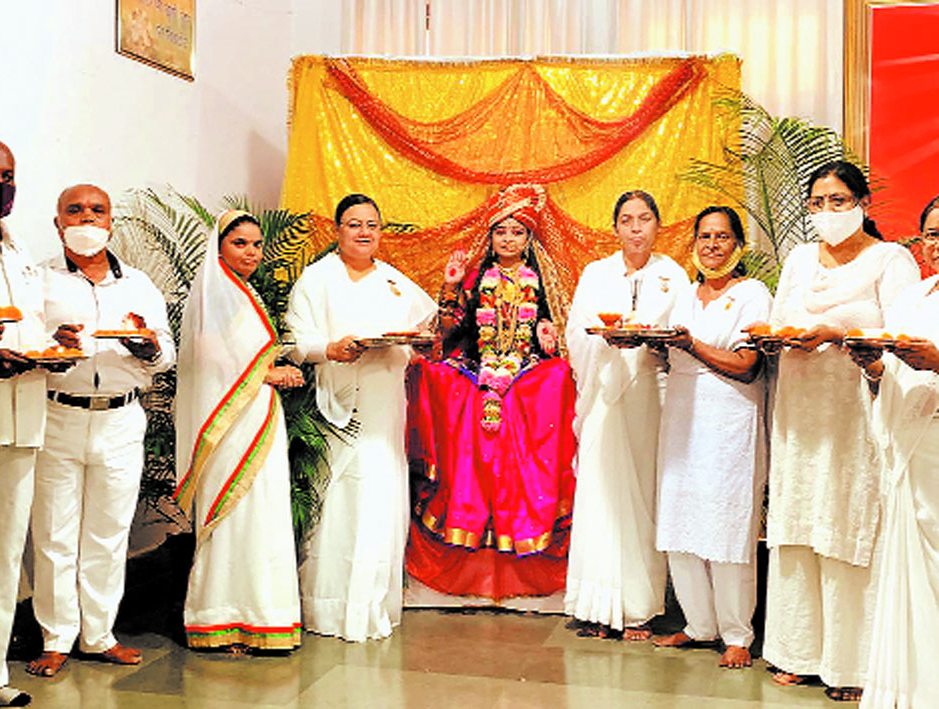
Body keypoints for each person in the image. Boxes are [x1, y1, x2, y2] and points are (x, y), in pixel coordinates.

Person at [760, 161, 920, 702]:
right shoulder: (799, 259)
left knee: (849, 525)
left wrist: (839, 333)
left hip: (855, 414)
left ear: (863, 204)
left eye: (839, 200)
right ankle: (798, 653)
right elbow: (780, 318)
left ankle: (853, 663)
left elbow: (904, 334)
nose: (827, 211)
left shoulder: (890, 259)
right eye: (818, 202)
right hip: (799, 411)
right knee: (799, 524)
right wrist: (777, 339)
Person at [26, 184, 175, 677]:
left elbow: (166, 351)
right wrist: (51, 343)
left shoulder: (138, 284)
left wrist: (149, 348)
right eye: (75, 210)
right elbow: (22, 343)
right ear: (58, 223)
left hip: (121, 418)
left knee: (109, 533)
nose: (87, 218)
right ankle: (55, 638)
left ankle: (99, 636)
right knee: (54, 533)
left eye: (97, 210)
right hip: (58, 416)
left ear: (111, 222)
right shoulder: (38, 280)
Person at [405, 184, 577, 599]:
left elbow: (554, 333)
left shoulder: (541, 282)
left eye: (517, 232)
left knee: (555, 379)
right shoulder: (476, 278)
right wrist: (451, 287)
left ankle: (527, 522)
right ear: (491, 237)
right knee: (439, 380)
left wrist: (547, 334)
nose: (508, 239)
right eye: (501, 231)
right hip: (478, 367)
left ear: (529, 239)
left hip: (525, 370)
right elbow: (451, 332)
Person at [286, 193, 436, 641]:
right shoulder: (317, 279)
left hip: (384, 402)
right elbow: (295, 340)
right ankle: (329, 608)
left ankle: (373, 606)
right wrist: (329, 348)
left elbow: (420, 333)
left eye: (372, 224)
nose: (364, 232)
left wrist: (419, 343)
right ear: (338, 230)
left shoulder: (393, 282)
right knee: (338, 500)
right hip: (336, 403)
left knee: (379, 496)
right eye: (354, 224)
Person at [174, 210, 303, 652]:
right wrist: (267, 374)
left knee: (263, 513)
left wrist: (268, 374)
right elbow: (208, 357)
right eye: (239, 243)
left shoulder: (243, 292)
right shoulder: (216, 294)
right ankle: (220, 618)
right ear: (219, 246)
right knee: (232, 516)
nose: (251, 252)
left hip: (259, 415)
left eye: (256, 244)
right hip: (231, 422)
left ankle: (263, 618)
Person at [564, 189, 690, 639]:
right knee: (601, 490)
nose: (636, 228)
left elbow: (683, 337)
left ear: (658, 225)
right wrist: (606, 342)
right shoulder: (596, 273)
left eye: (644, 219)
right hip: (604, 391)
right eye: (627, 220)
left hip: (650, 394)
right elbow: (577, 334)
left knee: (643, 492)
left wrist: (650, 341)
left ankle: (638, 607)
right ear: (615, 227)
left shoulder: (673, 276)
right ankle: (595, 606)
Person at [650, 206, 770, 669]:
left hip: (729, 420)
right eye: (704, 236)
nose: (712, 245)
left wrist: (692, 345)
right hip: (682, 415)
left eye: (722, 236)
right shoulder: (684, 294)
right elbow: (667, 349)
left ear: (738, 244)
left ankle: (737, 634)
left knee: (727, 524)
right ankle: (699, 625)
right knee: (679, 521)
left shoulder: (752, 294)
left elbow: (748, 365)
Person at [847, 196, 939, 708]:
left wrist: (937, 361)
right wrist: (873, 366)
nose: (938, 245)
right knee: (907, 570)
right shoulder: (913, 298)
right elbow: (895, 376)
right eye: (932, 234)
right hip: (908, 445)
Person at [0, 138, 43, 707]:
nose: (1, 185)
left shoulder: (20, 249)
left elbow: (30, 327)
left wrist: (56, 342)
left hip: (23, 416)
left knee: (5, 552)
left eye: (9, 176)